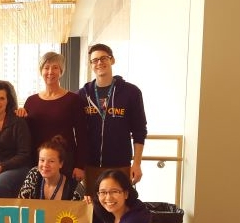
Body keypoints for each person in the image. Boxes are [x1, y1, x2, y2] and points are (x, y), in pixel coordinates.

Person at [78, 43, 148, 194]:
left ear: (112, 60)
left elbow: (140, 130)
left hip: (120, 164)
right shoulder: (83, 94)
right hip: (91, 165)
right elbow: (77, 130)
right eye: (94, 60)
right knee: (93, 210)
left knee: (119, 208)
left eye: (104, 58)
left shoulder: (131, 92)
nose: (99, 63)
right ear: (91, 65)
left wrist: (136, 163)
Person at [24, 51, 87, 182]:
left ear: (61, 71)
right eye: (46, 67)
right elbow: (26, 134)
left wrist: (80, 166)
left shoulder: (74, 100)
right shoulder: (31, 101)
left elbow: (82, 135)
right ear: (41, 71)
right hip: (38, 162)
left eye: (55, 67)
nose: (50, 71)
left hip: (65, 161)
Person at [17, 136, 82, 201]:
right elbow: (22, 203)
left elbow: (81, 209)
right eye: (42, 160)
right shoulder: (34, 174)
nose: (45, 165)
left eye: (51, 161)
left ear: (61, 164)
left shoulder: (75, 189)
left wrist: (87, 203)